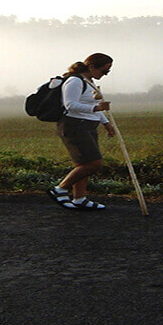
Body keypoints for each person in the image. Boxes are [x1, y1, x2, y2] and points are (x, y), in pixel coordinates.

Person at [47, 53, 116, 210]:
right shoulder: (74, 81)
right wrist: (97, 107)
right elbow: (70, 105)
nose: (104, 75)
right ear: (91, 66)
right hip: (74, 126)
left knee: (83, 164)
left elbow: (90, 104)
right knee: (94, 163)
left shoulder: (89, 82)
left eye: (108, 72)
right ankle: (59, 189)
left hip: (88, 126)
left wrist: (106, 124)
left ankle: (80, 198)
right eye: (104, 71)